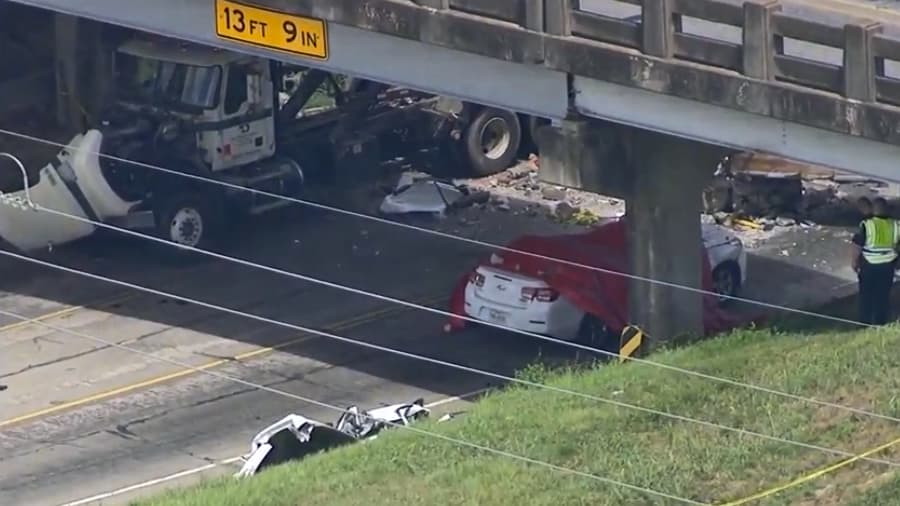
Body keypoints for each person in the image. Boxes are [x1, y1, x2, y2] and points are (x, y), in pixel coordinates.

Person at [851, 196, 900, 325]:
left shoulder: (867, 224)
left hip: (869, 264)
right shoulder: (895, 225)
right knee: (883, 294)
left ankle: (864, 322)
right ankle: (881, 321)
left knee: (866, 294)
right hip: (888, 265)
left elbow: (857, 245)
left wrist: (854, 262)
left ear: (873, 209)